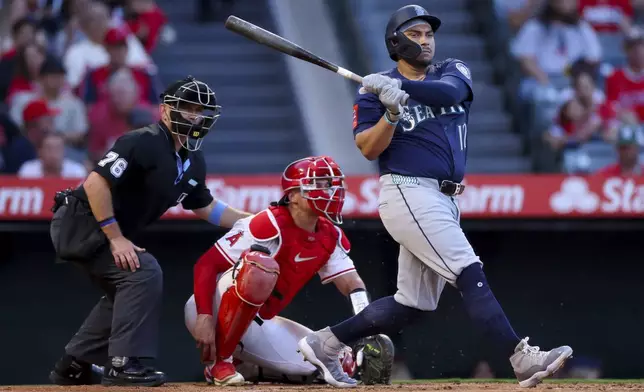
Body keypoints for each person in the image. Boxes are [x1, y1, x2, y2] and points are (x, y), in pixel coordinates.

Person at [298, 5, 573, 389]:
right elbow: (367, 148)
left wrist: (402, 88)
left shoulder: (451, 70)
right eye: (415, 35)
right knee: (468, 269)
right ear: (396, 43)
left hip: (443, 198)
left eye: (428, 34)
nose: (425, 41)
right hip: (408, 191)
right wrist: (390, 113)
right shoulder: (375, 91)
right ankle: (520, 356)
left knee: (413, 303)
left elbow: (450, 93)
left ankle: (325, 342)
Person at [48, 76, 251, 387]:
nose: (195, 117)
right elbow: (94, 183)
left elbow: (207, 207)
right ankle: (123, 363)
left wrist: (256, 220)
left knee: (126, 287)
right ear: (167, 111)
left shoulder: (193, 161)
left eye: (201, 111)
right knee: (143, 272)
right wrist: (115, 238)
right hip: (81, 221)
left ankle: (74, 365)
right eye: (188, 109)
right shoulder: (142, 140)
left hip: (101, 228)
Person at [183, 155, 394, 387]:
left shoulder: (330, 235)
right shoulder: (266, 223)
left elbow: (352, 284)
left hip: (258, 323)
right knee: (259, 267)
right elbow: (207, 264)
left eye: (331, 184)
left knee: (333, 360)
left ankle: (249, 366)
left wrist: (364, 330)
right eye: (320, 184)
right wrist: (204, 316)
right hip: (213, 311)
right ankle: (220, 362)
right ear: (293, 195)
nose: (330, 191)